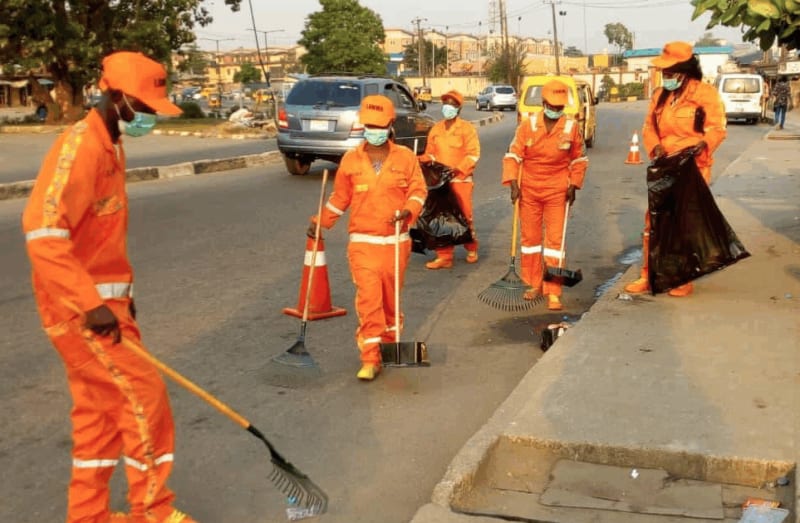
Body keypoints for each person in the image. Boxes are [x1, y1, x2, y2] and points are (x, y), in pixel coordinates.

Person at [21, 52, 196, 523]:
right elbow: (42, 232)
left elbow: (99, 240)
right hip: (80, 310)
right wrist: (91, 306)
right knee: (145, 401)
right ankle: (153, 512)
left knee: (99, 415)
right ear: (115, 96)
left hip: (104, 304)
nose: (151, 117)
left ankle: (87, 515)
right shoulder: (80, 148)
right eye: (145, 106)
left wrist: (123, 297)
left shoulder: (110, 143)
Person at [307, 95, 427, 381]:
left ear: (389, 126)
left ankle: (389, 348)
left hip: (397, 244)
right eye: (368, 126)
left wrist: (408, 211)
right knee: (369, 298)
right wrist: (320, 222)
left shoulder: (406, 158)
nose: (373, 131)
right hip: (363, 243)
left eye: (378, 126)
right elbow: (340, 199)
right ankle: (370, 357)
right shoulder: (351, 160)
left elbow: (419, 191)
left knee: (390, 302)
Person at [624, 41, 727, 297]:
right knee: (655, 221)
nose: (665, 77)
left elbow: (717, 128)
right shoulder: (660, 95)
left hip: (692, 166)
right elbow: (649, 126)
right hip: (665, 165)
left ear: (683, 71)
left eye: (669, 73)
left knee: (682, 223)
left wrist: (703, 144)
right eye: (664, 73)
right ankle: (649, 275)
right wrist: (655, 147)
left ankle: (682, 278)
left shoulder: (705, 94)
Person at [501, 79, 589, 311]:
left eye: (560, 107)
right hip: (529, 188)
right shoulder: (527, 125)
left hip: (557, 189)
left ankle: (553, 290)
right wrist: (512, 182)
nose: (556, 111)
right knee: (530, 241)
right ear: (543, 103)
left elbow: (579, 160)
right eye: (552, 106)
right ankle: (532, 283)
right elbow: (513, 155)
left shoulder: (571, 128)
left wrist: (574, 185)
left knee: (554, 243)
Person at [419, 89, 481, 269]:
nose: (448, 108)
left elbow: (473, 154)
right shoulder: (436, 129)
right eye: (446, 105)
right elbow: (431, 153)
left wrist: (458, 170)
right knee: (441, 217)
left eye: (452, 106)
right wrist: (424, 159)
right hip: (440, 182)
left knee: (464, 215)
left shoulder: (467, 129)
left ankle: (471, 247)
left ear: (458, 109)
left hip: (460, 180)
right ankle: (444, 256)